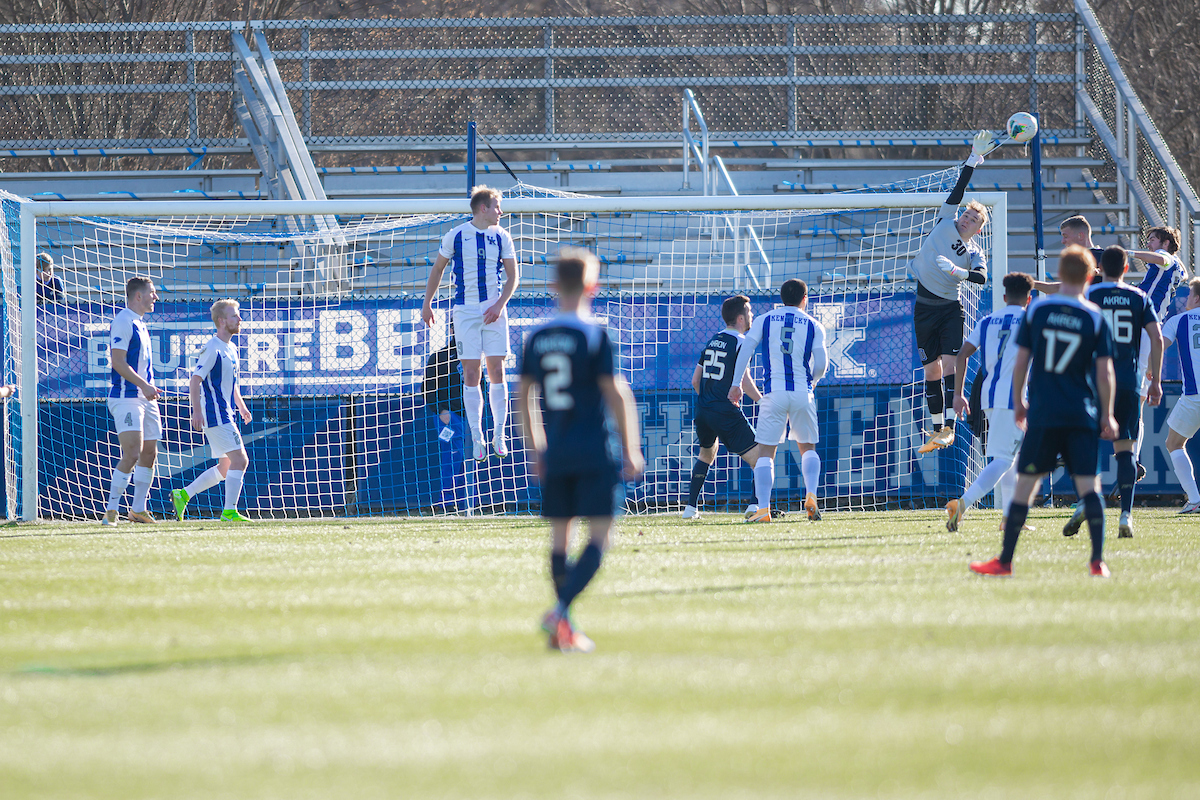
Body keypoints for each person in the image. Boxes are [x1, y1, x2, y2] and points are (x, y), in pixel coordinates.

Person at [518, 247, 644, 653]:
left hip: (557, 451)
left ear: (553, 286)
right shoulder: (595, 334)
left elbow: (524, 396)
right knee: (600, 537)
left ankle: (563, 627)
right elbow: (616, 394)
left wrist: (536, 448)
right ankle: (561, 610)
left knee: (560, 537)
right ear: (593, 285)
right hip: (593, 449)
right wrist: (631, 448)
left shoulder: (535, 336)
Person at [970, 246, 1117, 578]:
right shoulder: (1094, 316)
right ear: (1090, 276)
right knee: (1088, 487)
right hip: (1081, 412)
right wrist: (1107, 414)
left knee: (1025, 485)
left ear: (1059, 275)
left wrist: (1020, 400)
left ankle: (1004, 561)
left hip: (1044, 412)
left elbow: (1021, 360)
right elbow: (1105, 372)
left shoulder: (1038, 311)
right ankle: (1097, 561)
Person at [1061, 246, 1162, 538]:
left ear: (1098, 268)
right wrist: (1153, 379)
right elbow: (1156, 337)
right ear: (1127, 268)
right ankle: (1126, 516)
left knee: (1083, 444)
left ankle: (1085, 501)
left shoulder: (1089, 295)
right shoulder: (1138, 297)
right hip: (1128, 381)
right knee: (1126, 450)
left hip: (1091, 381)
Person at [421, 186, 519, 462]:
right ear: (483, 208)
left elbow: (513, 276)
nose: (501, 212)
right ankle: (477, 438)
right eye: (497, 207)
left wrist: (499, 304)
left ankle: (499, 435)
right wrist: (426, 303)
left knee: (497, 369)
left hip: (494, 310)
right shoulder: (456, 235)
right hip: (464, 311)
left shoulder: (502, 237)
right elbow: (438, 269)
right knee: (472, 373)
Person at [910, 130, 992, 455]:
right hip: (923, 307)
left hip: (949, 309)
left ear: (978, 230)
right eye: (966, 215)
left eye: (972, 220)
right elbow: (958, 190)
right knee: (930, 370)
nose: (966, 219)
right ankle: (935, 430)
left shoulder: (974, 253)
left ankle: (950, 428)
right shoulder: (945, 221)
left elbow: (982, 278)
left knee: (950, 363)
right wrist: (972, 160)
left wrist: (959, 272)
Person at [728, 278, 828, 523]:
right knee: (808, 448)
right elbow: (822, 364)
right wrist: (811, 383)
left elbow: (745, 351)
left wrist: (735, 384)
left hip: (773, 394)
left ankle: (763, 509)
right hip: (802, 393)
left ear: (781, 298)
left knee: (765, 454)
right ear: (805, 299)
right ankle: (812, 494)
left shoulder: (764, 320)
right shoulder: (814, 325)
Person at [946, 272, 1033, 532]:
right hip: (1014, 397)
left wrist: (958, 394)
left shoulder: (987, 321)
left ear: (1005, 297)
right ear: (1029, 299)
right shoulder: (1031, 320)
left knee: (1011, 459)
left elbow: (962, 355)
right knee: (1005, 460)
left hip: (988, 396)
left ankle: (1010, 519)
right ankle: (961, 504)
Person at [681, 295, 765, 520]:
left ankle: (690, 509)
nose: (752, 315)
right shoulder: (741, 342)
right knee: (762, 457)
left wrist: (709, 401)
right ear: (740, 317)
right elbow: (744, 381)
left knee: (706, 453)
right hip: (723, 409)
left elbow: (695, 381)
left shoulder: (712, 341)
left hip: (703, 409)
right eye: (749, 312)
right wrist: (763, 402)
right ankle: (755, 507)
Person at [170, 300, 253, 522]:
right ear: (222, 321)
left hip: (226, 412)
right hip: (215, 414)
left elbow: (231, 383)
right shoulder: (212, 348)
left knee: (226, 467)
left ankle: (183, 494)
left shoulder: (232, 348)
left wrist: (242, 407)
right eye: (235, 316)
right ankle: (229, 512)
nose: (240, 319)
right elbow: (195, 380)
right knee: (240, 460)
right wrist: (196, 411)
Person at [103, 277, 161, 525]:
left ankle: (138, 509)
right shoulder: (124, 321)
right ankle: (111, 509)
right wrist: (144, 385)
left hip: (145, 398)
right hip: (127, 397)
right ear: (138, 296)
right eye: (152, 292)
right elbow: (118, 362)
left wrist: (147, 388)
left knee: (150, 451)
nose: (155, 297)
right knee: (132, 452)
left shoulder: (141, 324)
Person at [1158, 277, 1200, 514]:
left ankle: (1194, 499)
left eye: (1189, 295)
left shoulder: (1178, 320)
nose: (1185, 300)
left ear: (1196, 298)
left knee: (1174, 443)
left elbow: (1159, 346)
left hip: (1194, 396)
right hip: (1193, 395)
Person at [422, 324, 468, 513]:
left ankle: (468, 501)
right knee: (450, 456)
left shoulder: (475, 356)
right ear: (451, 330)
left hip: (469, 417)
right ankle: (447, 502)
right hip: (448, 417)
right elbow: (427, 389)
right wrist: (441, 411)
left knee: (469, 457)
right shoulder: (439, 357)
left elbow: (481, 385)